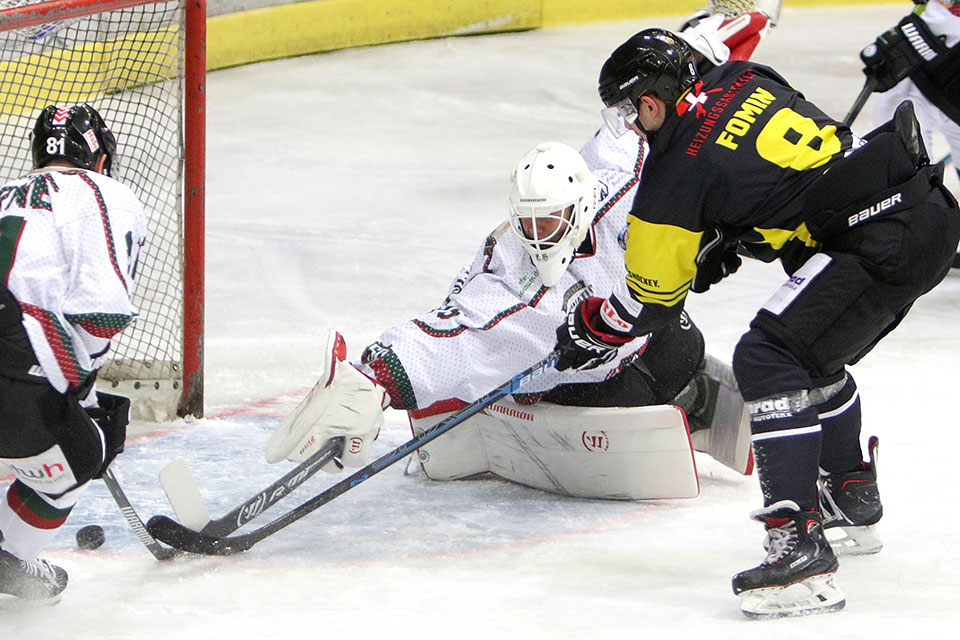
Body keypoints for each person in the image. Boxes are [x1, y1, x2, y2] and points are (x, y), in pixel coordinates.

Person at [556, 28, 960, 618]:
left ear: (650, 102)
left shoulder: (670, 181)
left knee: (770, 358)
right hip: (923, 207)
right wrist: (731, 230)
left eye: (630, 111)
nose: (633, 126)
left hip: (876, 238)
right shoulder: (745, 79)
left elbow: (651, 303)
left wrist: (593, 326)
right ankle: (850, 494)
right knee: (810, 348)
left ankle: (799, 549)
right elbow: (795, 166)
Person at [265, 139, 751, 502]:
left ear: (579, 207)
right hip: (602, 392)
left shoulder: (622, 188)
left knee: (665, 339)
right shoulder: (506, 270)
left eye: (551, 221)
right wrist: (378, 381)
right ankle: (689, 402)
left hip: (669, 347)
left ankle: (689, 398)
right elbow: (456, 328)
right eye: (529, 222)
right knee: (506, 356)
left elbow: (658, 129)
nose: (538, 236)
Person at [0, 104, 146, 602]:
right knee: (82, 451)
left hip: (15, 348)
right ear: (100, 159)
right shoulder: (103, 192)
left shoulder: (4, 194)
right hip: (11, 359)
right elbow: (101, 313)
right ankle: (13, 555)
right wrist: (79, 397)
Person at [858, 0, 960, 266]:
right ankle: (912, 235)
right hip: (927, 83)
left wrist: (906, 39)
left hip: (931, 85)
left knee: (904, 160)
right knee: (904, 159)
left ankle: (913, 236)